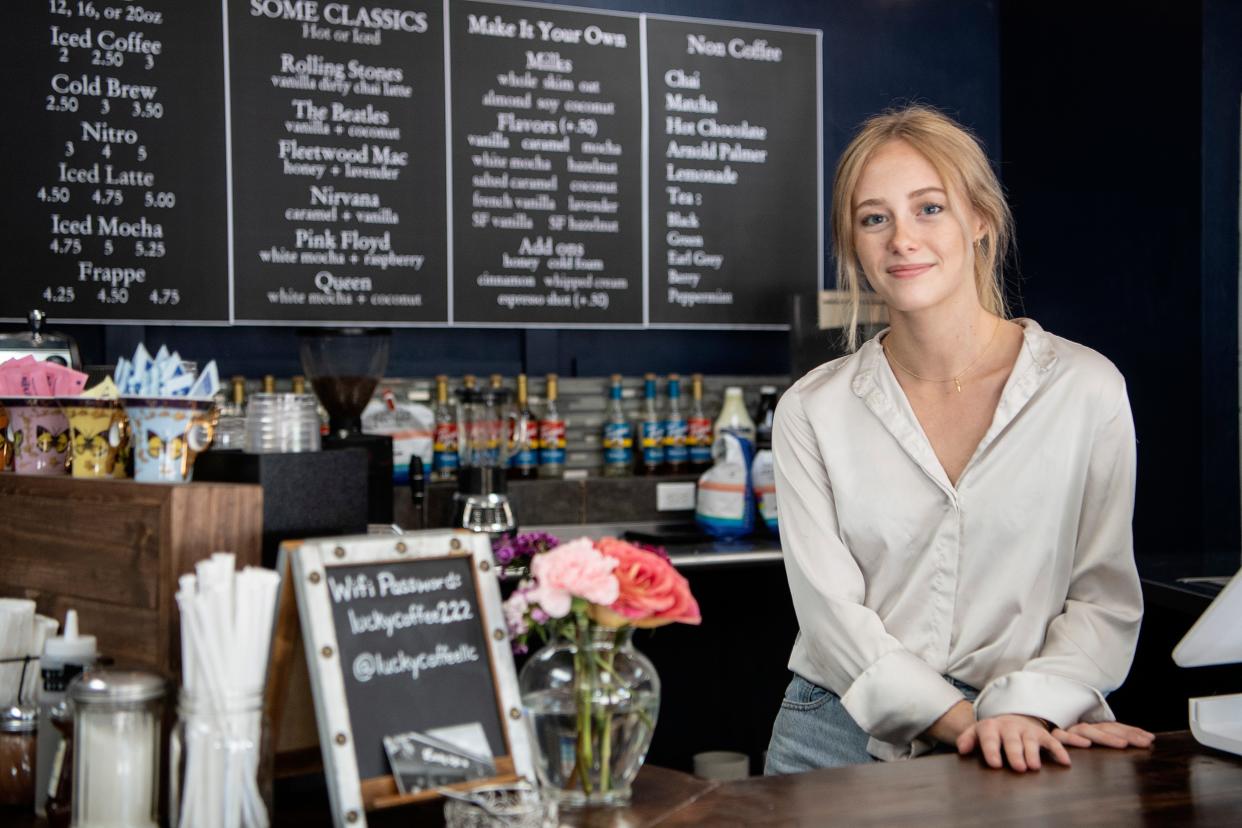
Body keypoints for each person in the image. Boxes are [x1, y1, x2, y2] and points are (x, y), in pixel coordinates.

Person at [764, 105, 1153, 774]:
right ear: (853, 243)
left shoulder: (1086, 389)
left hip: (1032, 728)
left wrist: (1027, 709)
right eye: (874, 218)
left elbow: (1103, 597)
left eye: (930, 208)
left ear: (980, 220)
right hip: (838, 737)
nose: (901, 240)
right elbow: (832, 618)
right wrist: (972, 723)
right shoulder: (811, 410)